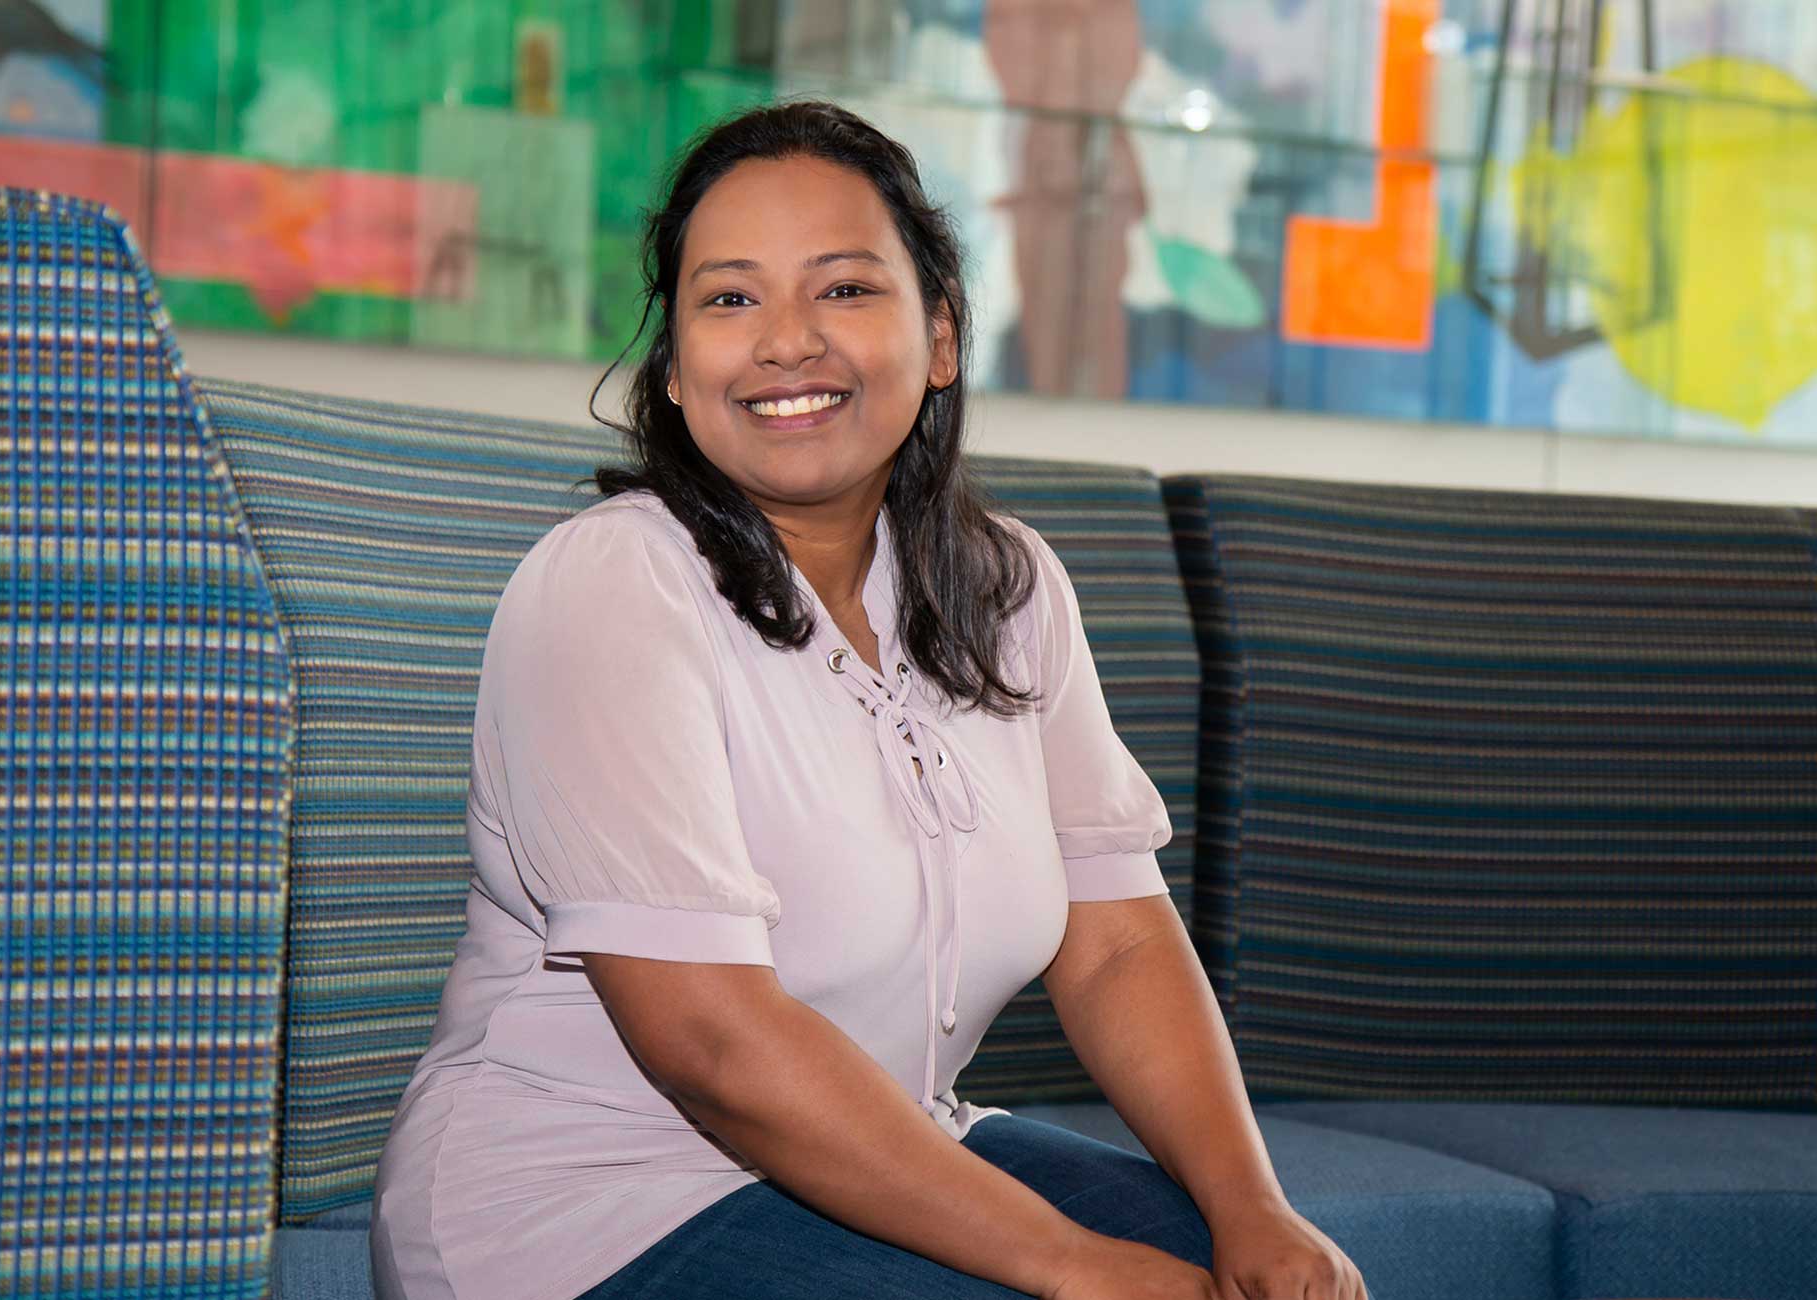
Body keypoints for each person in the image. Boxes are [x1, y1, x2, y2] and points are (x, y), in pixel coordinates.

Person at [369, 99, 1365, 1300]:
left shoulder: (1008, 587)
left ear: (940, 336)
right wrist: (1069, 1264)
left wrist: (1253, 1207)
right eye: (730, 299)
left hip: (891, 1140)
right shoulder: (613, 584)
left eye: (843, 289)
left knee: (1253, 1275)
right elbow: (713, 1042)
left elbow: (1114, 946)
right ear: (676, 369)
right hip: (583, 1200)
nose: (788, 341)